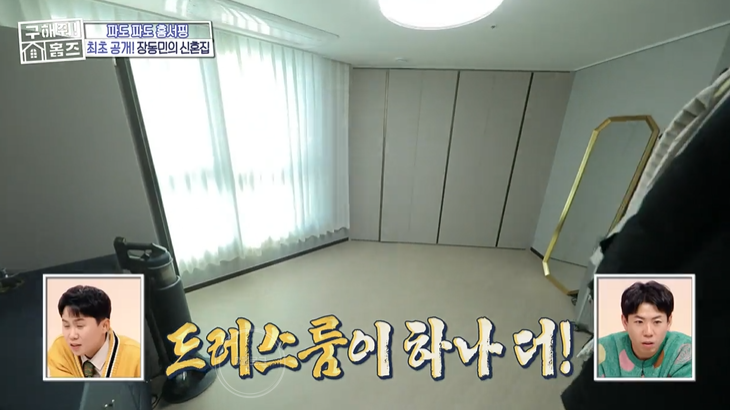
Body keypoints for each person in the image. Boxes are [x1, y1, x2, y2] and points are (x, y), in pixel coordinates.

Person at [596, 281, 691, 378]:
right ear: (625, 322)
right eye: (639, 322)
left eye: (657, 322)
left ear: (668, 321)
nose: (648, 332)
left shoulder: (686, 351)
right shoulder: (601, 351)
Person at [47, 285, 141, 378]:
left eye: (80, 326)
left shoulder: (137, 358)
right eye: (66, 325)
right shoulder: (60, 350)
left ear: (104, 326)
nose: (72, 335)